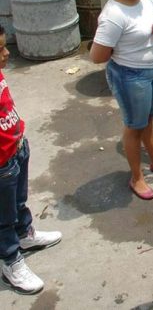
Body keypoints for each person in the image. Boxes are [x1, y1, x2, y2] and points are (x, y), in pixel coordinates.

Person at [90, 0, 153, 201]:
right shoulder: (114, 16)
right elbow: (97, 56)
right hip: (130, 75)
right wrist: (126, 48)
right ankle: (136, 176)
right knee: (134, 126)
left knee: (147, 118)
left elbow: (150, 23)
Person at [0, 24, 62, 295]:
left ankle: (25, 234)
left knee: (18, 202)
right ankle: (10, 260)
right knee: (3, 216)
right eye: (0, 49)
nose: (6, 54)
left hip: (17, 147)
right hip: (1, 163)